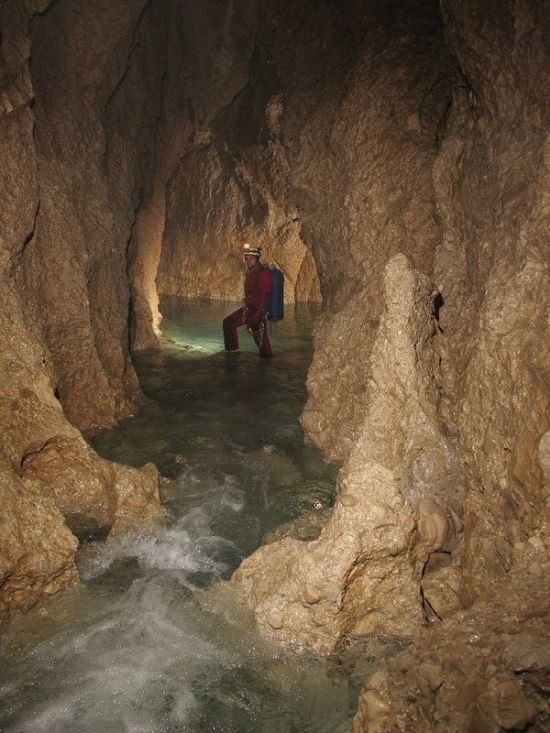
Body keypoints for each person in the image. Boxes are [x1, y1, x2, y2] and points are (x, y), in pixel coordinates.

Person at [223, 243, 273, 357]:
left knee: (261, 339)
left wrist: (258, 315)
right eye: (246, 258)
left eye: (251, 258)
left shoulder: (263, 274)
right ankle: (232, 354)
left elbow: (265, 297)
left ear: (257, 259)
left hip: (259, 310)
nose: (248, 261)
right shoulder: (251, 272)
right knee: (228, 323)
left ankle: (268, 361)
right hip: (250, 308)